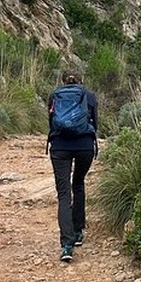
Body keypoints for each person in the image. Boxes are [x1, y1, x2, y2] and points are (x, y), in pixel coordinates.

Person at [47, 70, 98, 263]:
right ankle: (77, 232)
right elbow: (95, 122)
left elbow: (51, 123)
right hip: (85, 146)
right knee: (79, 183)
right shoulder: (89, 95)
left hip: (60, 147)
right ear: (81, 80)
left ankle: (66, 244)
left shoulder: (54, 95)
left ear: (63, 81)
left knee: (63, 193)